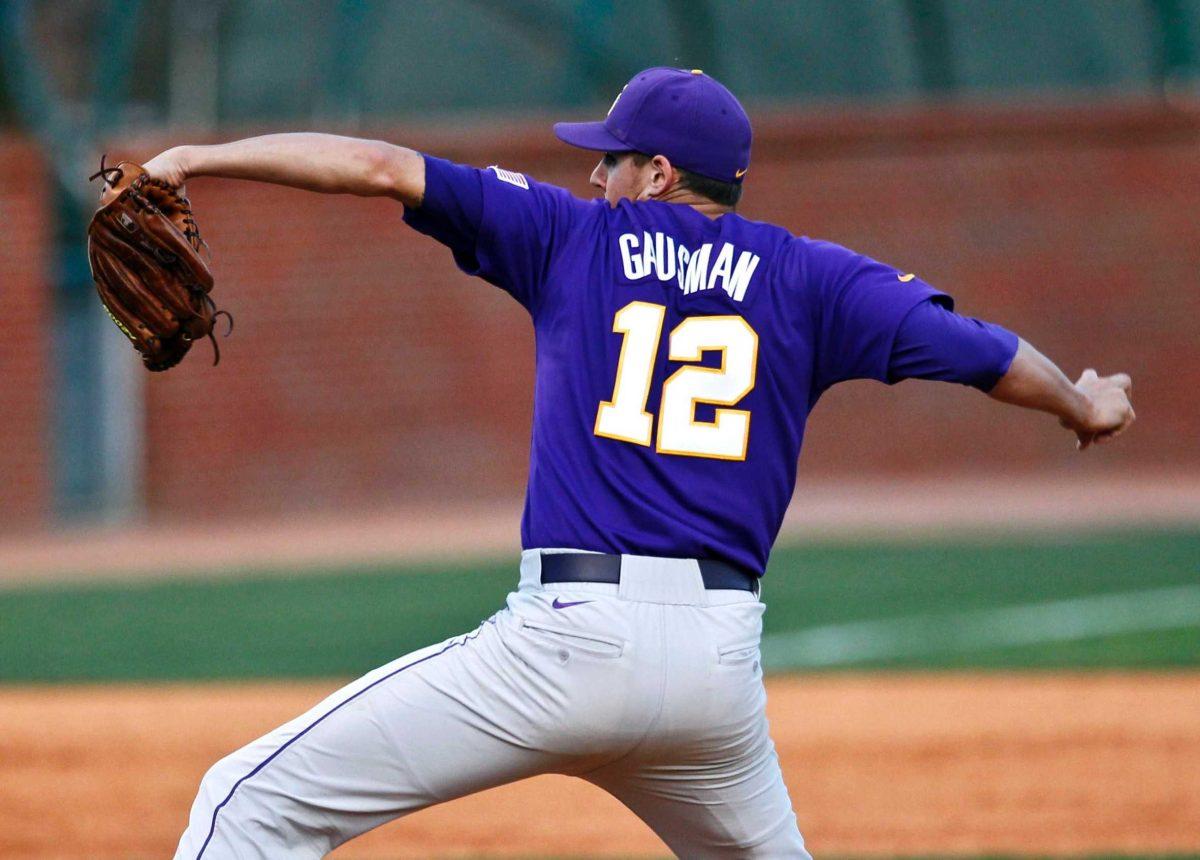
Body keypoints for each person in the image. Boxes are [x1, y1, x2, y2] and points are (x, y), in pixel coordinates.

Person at [150, 68, 1134, 859]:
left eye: (612, 158)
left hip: (563, 649)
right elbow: (991, 354)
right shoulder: (813, 276)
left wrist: (197, 154)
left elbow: (376, 163)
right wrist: (1084, 403)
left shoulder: (576, 238)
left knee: (249, 804)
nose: (595, 176)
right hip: (715, 675)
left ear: (658, 173)